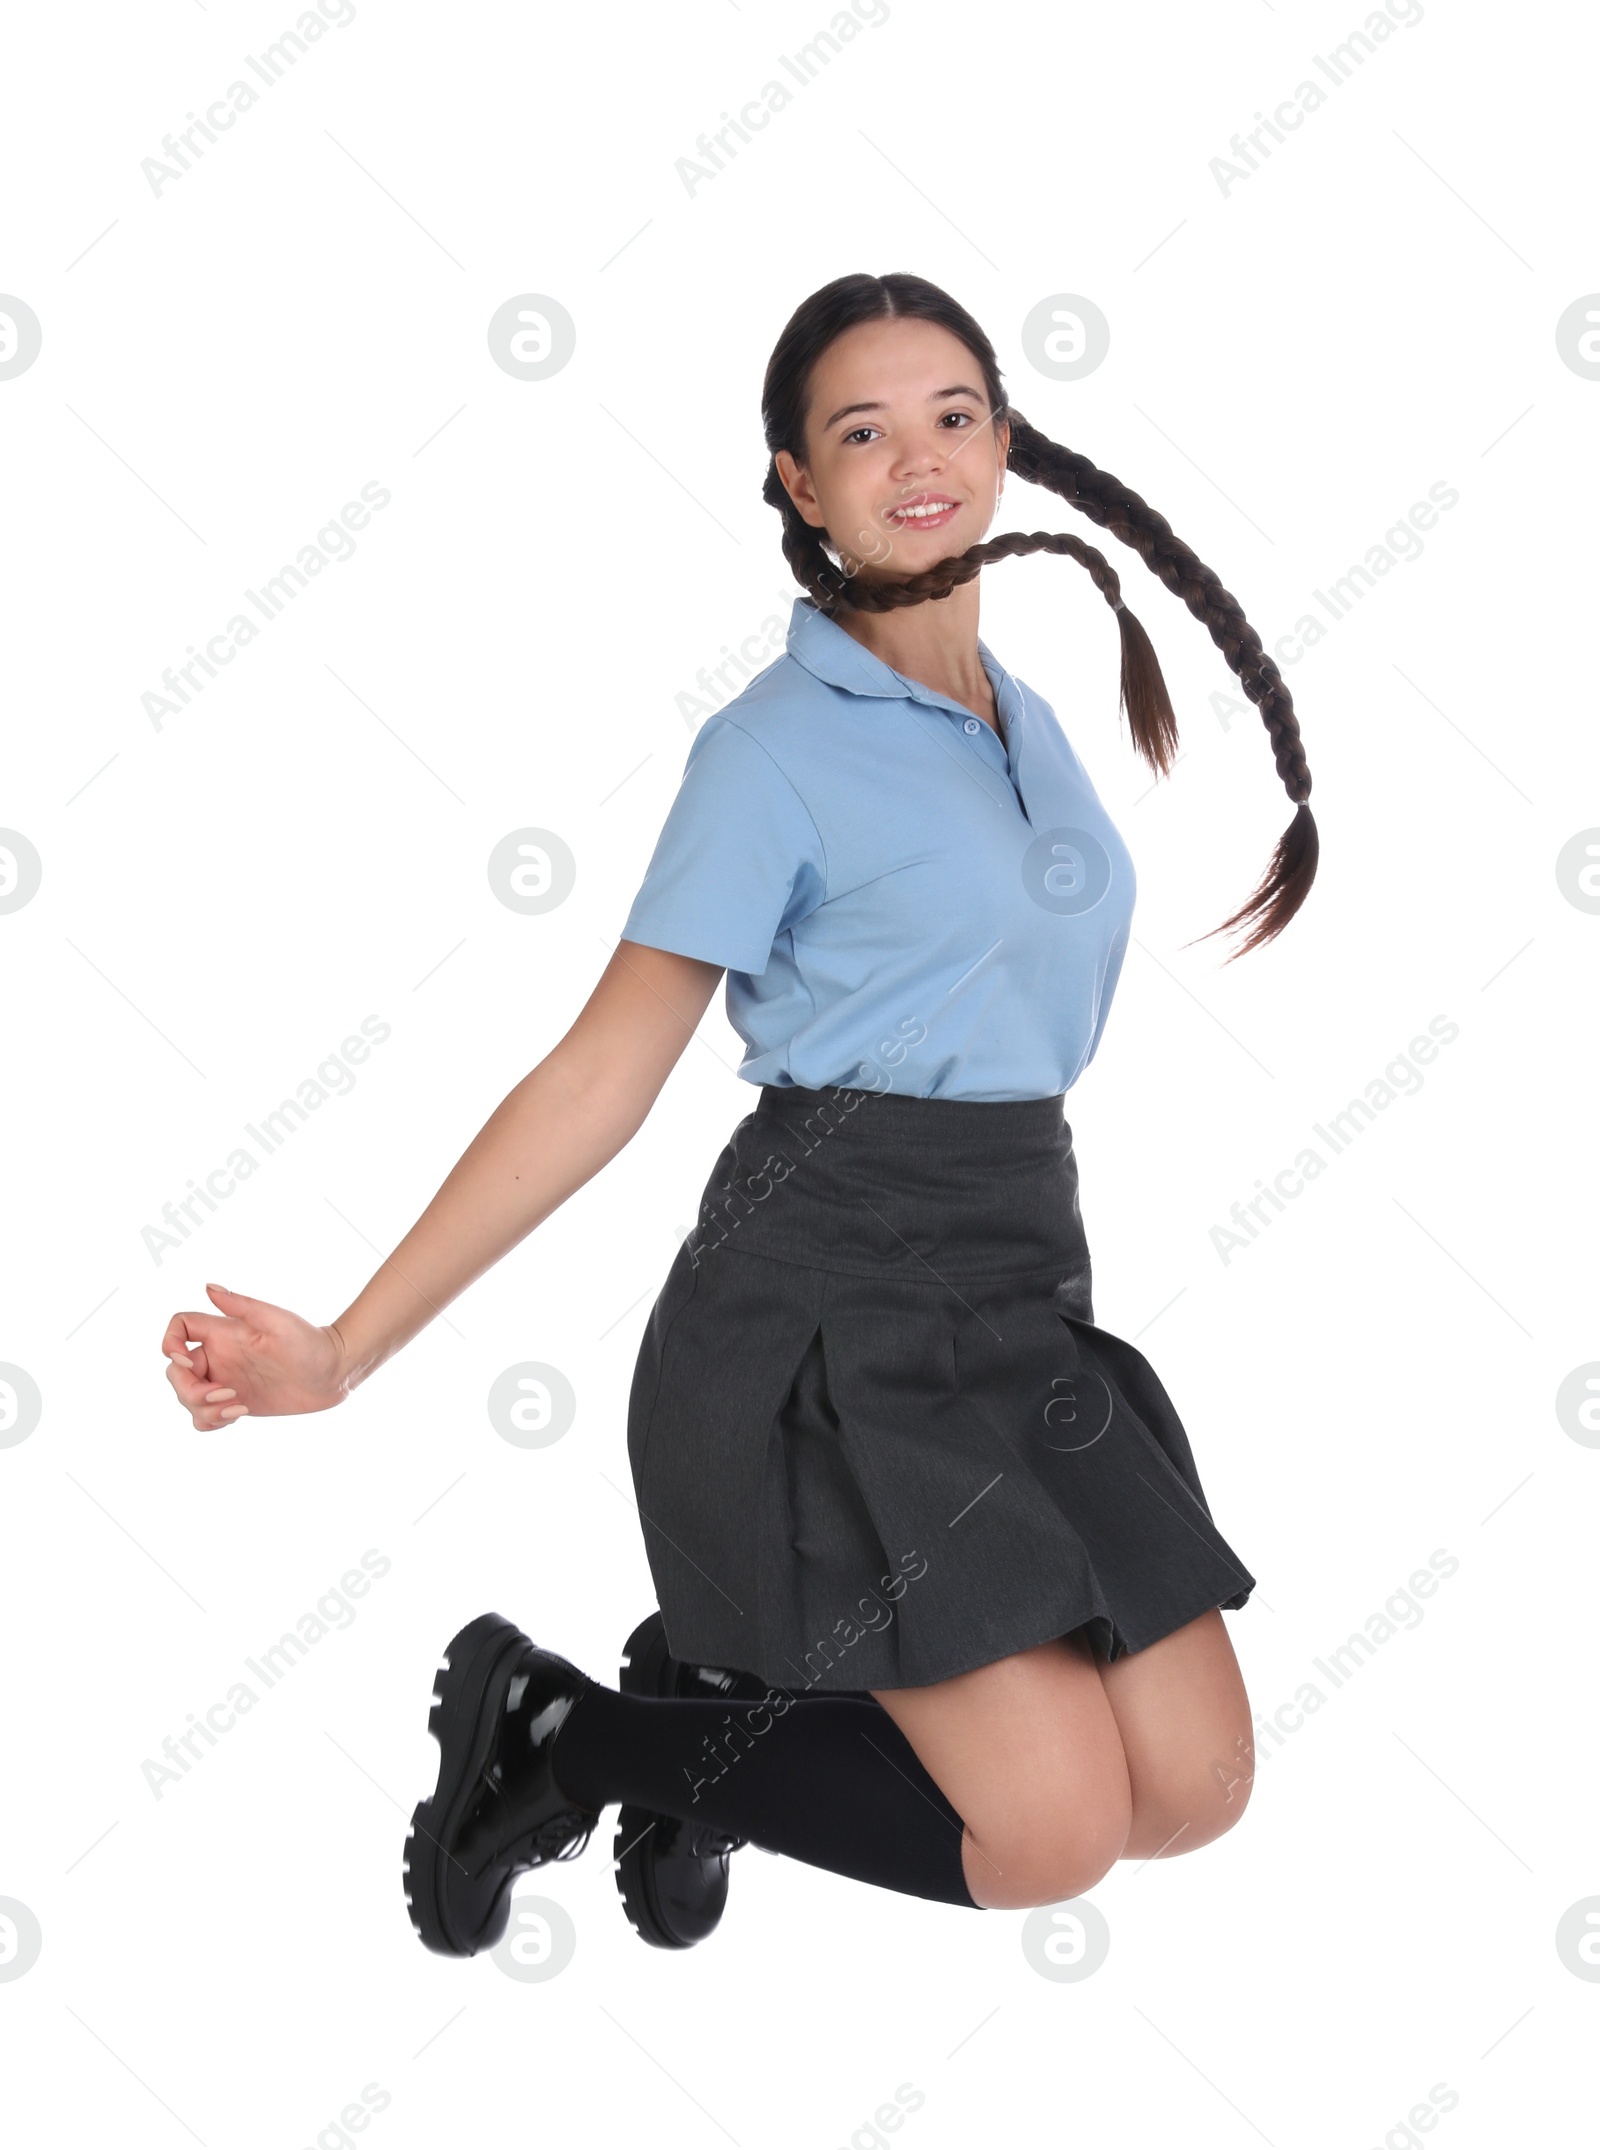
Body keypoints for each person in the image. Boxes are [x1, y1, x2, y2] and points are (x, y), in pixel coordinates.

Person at [162, 271, 1314, 1959]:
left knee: (1195, 1788)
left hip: (1017, 1287)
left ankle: (713, 1703)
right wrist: (342, 1347)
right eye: (862, 431)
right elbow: (596, 1077)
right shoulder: (769, 753)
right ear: (797, 477)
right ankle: (568, 1734)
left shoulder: (1029, 717)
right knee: (1052, 1833)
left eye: (953, 415)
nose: (916, 459)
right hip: (826, 1318)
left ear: (1006, 440)